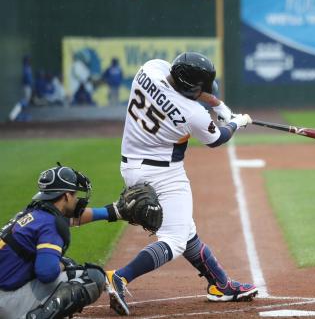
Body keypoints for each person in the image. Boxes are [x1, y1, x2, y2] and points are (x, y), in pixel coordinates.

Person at [106, 52, 256, 316]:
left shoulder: (150, 69)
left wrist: (218, 106)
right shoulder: (192, 113)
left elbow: (192, 92)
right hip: (162, 174)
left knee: (185, 229)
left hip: (132, 164)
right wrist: (236, 121)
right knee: (175, 239)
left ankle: (220, 284)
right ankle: (119, 276)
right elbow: (217, 138)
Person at [0, 163, 128, 318]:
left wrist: (112, 212)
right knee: (92, 277)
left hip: (4, 291)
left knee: (61, 263)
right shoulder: (50, 223)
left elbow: (72, 220)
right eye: (74, 195)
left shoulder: (33, 215)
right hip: (6, 302)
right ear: (67, 196)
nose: (76, 199)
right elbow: (46, 273)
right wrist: (62, 264)